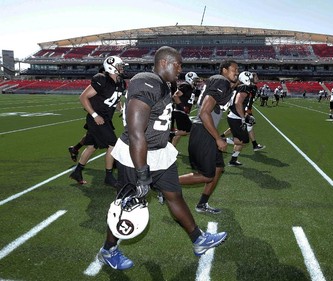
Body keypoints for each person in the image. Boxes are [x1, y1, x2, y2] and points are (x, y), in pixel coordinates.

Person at [97, 46, 227, 270]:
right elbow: (137, 132)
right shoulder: (146, 81)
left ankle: (198, 239)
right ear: (164, 63)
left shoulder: (163, 84)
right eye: (178, 65)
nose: (180, 69)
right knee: (126, 205)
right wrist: (142, 175)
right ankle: (108, 250)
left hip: (160, 153)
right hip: (136, 156)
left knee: (174, 196)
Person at [178, 60, 239, 214]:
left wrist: (236, 83)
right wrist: (218, 139)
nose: (236, 72)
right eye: (234, 70)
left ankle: (202, 204)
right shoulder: (221, 81)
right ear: (224, 70)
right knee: (207, 175)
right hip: (204, 131)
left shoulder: (222, 82)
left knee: (218, 169)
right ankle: (164, 183)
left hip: (207, 131)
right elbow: (204, 112)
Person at [69, 56, 126, 187]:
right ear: (111, 67)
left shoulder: (120, 82)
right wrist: (94, 115)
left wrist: (121, 109)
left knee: (91, 147)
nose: (122, 68)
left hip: (106, 118)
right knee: (113, 145)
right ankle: (109, 176)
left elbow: (116, 99)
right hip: (97, 119)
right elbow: (83, 97)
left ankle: (77, 172)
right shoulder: (102, 79)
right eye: (119, 66)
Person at [170, 71, 200, 146]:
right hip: (180, 111)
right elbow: (175, 96)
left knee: (181, 132)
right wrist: (183, 107)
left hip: (181, 112)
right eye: (195, 80)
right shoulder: (185, 86)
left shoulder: (190, 88)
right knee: (190, 130)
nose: (196, 82)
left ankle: (172, 149)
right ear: (190, 79)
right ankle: (170, 134)